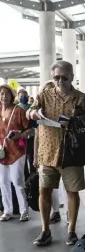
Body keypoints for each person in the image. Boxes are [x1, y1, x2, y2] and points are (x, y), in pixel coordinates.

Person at [28, 61, 85, 246]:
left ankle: (71, 230)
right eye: (56, 77)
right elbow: (30, 111)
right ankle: (45, 230)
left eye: (64, 77)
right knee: (44, 190)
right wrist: (32, 114)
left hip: (71, 153)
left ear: (72, 77)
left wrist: (75, 122)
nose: (60, 81)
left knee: (72, 192)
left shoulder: (81, 98)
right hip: (47, 152)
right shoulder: (44, 95)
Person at [0, 84, 30, 222]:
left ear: (12, 96)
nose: (3, 96)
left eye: (6, 93)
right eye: (1, 94)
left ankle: (24, 211)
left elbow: (29, 130)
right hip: (2, 151)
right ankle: (7, 210)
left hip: (17, 151)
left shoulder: (18, 111)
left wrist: (18, 136)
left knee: (17, 180)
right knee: (3, 182)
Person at [17, 89, 36, 177]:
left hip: (31, 137)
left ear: (28, 97)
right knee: (22, 158)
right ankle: (25, 176)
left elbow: (34, 123)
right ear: (18, 97)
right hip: (20, 138)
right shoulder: (16, 108)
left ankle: (33, 177)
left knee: (31, 156)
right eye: (21, 96)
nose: (23, 98)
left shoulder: (31, 107)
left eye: (25, 96)